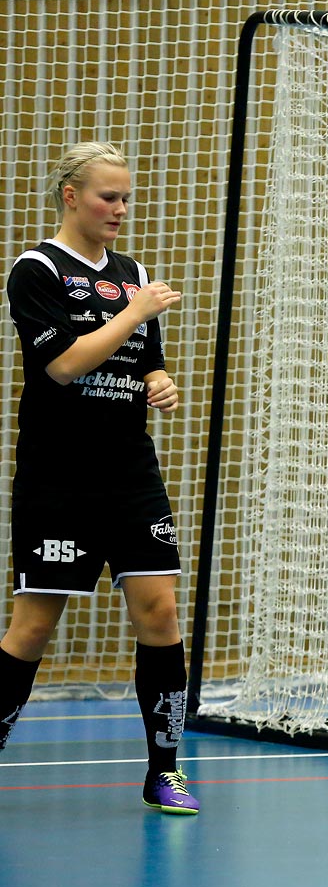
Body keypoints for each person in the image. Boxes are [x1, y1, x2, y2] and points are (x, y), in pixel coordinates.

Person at [0, 142, 197, 814]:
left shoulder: (131, 272)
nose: (119, 209)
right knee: (33, 627)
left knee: (161, 612)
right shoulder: (36, 270)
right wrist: (135, 312)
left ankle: (165, 770)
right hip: (59, 474)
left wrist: (161, 381)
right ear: (71, 196)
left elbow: (146, 361)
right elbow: (62, 366)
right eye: (107, 196)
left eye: (126, 198)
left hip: (129, 470)